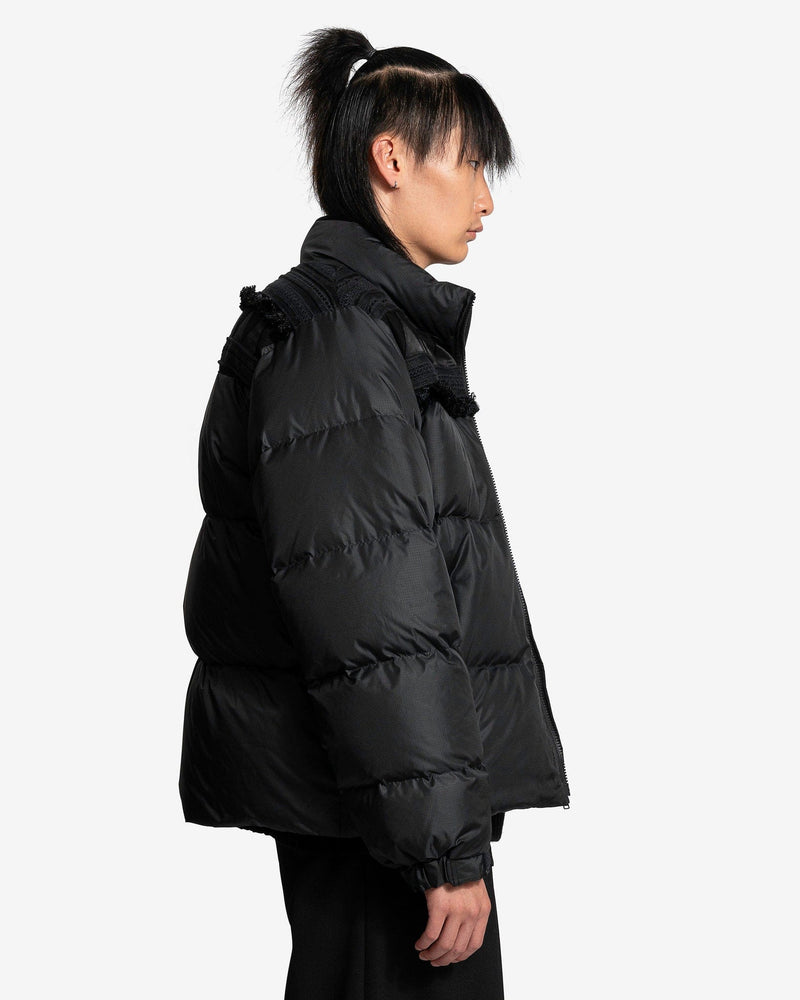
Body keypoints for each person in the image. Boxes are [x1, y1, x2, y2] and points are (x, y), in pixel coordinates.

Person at [179, 26, 570, 1000]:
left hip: (384, 809)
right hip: (380, 826)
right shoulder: (341, 339)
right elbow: (373, 614)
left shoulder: (369, 328)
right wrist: (439, 847)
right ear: (391, 159)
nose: (485, 198)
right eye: (470, 164)